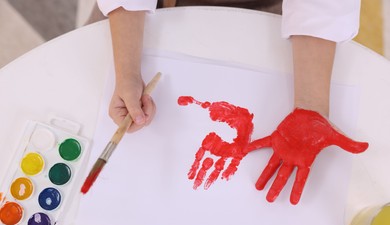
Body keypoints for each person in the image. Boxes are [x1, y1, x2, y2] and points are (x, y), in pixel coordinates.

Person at [89, 0, 368, 204]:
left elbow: (322, 7)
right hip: (140, 11)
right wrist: (126, 71)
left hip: (269, 12)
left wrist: (311, 106)